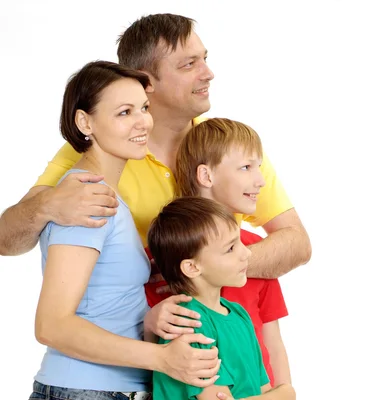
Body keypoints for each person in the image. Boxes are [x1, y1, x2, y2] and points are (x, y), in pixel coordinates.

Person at [0, 13, 311, 285]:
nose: (208, 73)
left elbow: (296, 242)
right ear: (146, 82)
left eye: (205, 58)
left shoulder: (230, 144)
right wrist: (46, 206)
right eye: (189, 64)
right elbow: (6, 239)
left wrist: (204, 269)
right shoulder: (96, 148)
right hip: (135, 338)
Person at [29, 60, 220, 400]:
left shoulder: (103, 193)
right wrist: (162, 358)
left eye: (144, 108)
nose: (143, 122)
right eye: (123, 112)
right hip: (86, 389)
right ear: (85, 121)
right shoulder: (89, 198)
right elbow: (52, 325)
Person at [173, 117, 291, 386]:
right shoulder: (170, 251)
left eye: (258, 167)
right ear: (206, 176)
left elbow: (273, 344)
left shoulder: (257, 250)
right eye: (246, 167)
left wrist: (284, 392)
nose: (261, 181)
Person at [147, 196, 296, 400]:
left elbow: (264, 389)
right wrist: (286, 393)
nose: (246, 254)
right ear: (192, 267)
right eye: (231, 248)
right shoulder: (186, 322)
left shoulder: (239, 315)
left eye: (240, 243)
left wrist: (284, 393)